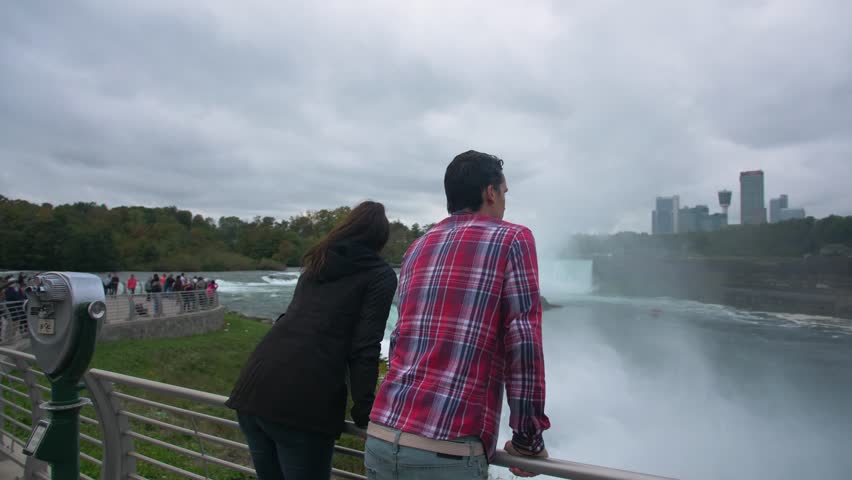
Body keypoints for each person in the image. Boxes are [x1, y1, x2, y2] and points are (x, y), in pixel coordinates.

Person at [366, 151, 551, 479]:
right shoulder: (512, 238)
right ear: (490, 192)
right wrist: (527, 439)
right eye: (504, 193)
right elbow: (523, 343)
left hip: (381, 434)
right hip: (448, 448)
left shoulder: (417, 247)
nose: (504, 203)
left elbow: (399, 340)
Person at [226, 201, 398, 480]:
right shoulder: (380, 275)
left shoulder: (316, 264)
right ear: (380, 239)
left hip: (252, 389)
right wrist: (366, 412)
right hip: (302, 403)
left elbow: (290, 319)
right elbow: (365, 347)